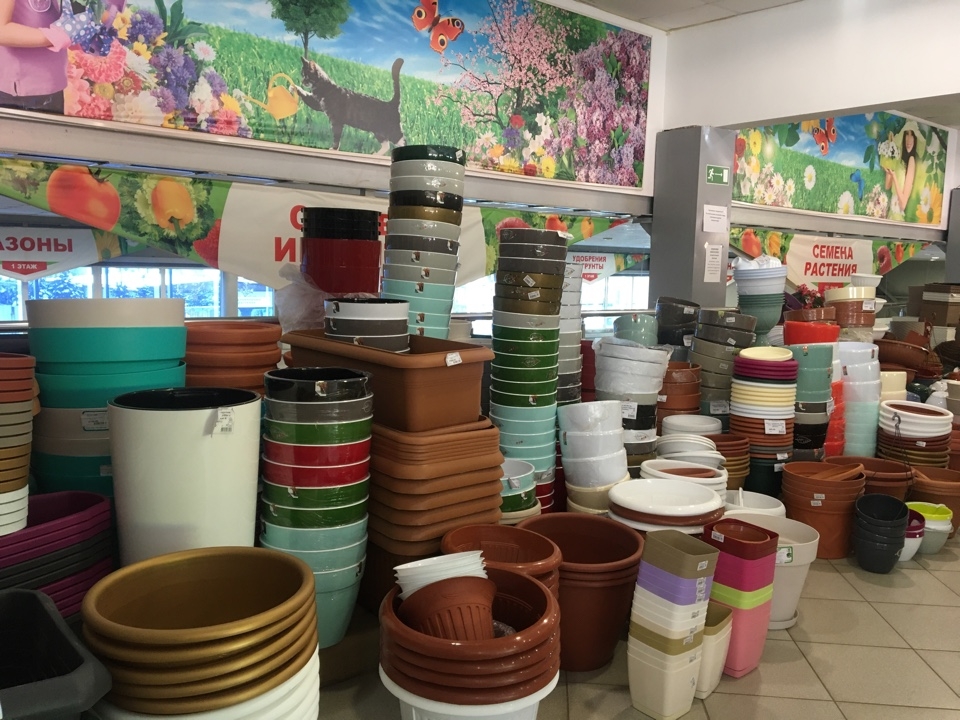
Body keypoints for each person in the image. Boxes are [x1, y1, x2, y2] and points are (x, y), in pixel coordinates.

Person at [0, 0, 92, 113]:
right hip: (18, 90)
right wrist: (56, 36)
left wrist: (81, 30)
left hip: (54, 83)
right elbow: (1, 30)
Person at [884, 127, 919, 222]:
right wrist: (889, 165)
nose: (909, 139)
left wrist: (894, 176)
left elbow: (903, 204)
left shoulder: (911, 161)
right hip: (890, 214)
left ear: (915, 139)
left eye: (912, 135)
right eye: (907, 134)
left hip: (897, 217)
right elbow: (887, 186)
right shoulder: (900, 162)